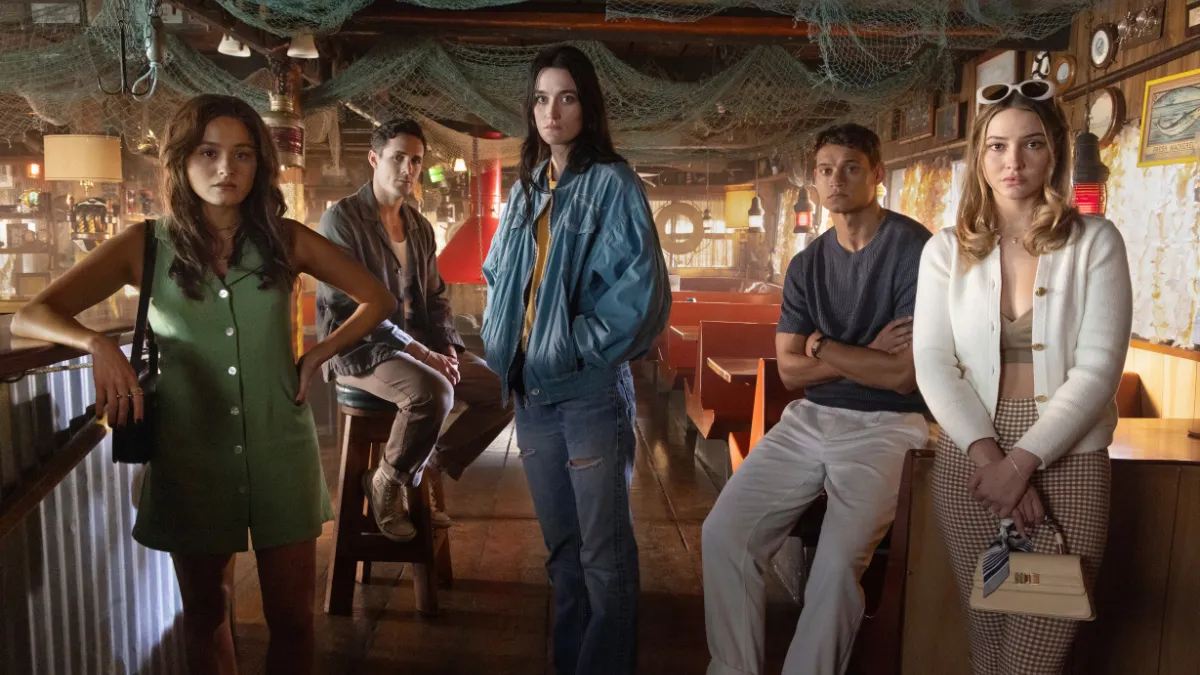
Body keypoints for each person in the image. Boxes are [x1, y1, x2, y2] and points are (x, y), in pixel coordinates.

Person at [12, 94, 396, 675]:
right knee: (206, 613)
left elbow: (378, 298)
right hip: (191, 450)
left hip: (280, 444)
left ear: (259, 164)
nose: (226, 169)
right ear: (181, 160)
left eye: (242, 154)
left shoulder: (286, 239)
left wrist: (318, 355)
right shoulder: (145, 245)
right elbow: (31, 315)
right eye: (209, 153)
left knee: (293, 619)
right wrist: (98, 345)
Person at [913, 80, 1131, 675]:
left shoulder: (1096, 242)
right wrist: (993, 461)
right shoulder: (945, 251)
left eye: (1032, 144)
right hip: (970, 455)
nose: (1014, 161)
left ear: (1054, 152)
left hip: (1070, 453)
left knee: (1034, 656)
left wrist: (1021, 465)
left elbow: (1099, 367)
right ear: (979, 157)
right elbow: (932, 361)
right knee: (987, 639)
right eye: (998, 146)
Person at [702, 123, 931, 675]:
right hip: (810, 418)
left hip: (890, 426)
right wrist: (863, 354)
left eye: (850, 167)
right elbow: (790, 370)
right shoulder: (806, 265)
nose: (836, 180)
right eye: (826, 170)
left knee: (834, 567)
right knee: (724, 533)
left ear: (877, 173)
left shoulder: (915, 249)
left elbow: (902, 376)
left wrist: (822, 346)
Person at [480, 45, 670, 675]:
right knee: (562, 553)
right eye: (541, 98)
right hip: (532, 397)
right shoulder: (527, 188)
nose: (551, 111)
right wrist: (507, 337)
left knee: (603, 556)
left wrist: (565, 344)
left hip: (589, 393)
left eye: (566, 97)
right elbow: (498, 273)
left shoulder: (613, 183)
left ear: (587, 106)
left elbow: (638, 296)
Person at [316, 118, 512, 541]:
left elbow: (436, 297)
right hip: (358, 348)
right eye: (398, 158)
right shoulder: (341, 220)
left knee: (503, 390)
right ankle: (386, 483)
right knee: (433, 392)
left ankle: (427, 466)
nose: (408, 169)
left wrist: (448, 349)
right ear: (374, 159)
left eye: (416, 161)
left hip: (417, 345)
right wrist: (424, 354)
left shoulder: (419, 227)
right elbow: (347, 307)